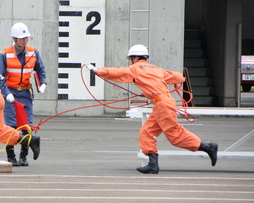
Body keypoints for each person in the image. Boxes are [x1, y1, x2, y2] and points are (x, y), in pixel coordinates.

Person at [86, 44, 218, 174]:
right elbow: (177, 77)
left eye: (130, 59)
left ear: (134, 58)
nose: (130, 62)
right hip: (163, 103)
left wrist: (98, 71)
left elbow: (119, 72)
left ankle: (208, 147)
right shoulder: (156, 68)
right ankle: (152, 165)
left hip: (162, 104)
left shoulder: (135, 68)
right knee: (147, 132)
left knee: (175, 135)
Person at [0, 22, 47, 166]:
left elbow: (41, 70)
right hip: (10, 93)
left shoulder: (33, 52)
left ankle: (23, 156)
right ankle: (10, 155)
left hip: (25, 92)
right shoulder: (5, 54)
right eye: (21, 38)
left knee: (26, 125)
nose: (24, 40)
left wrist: (42, 83)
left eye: (26, 37)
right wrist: (6, 93)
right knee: (11, 125)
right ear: (14, 38)